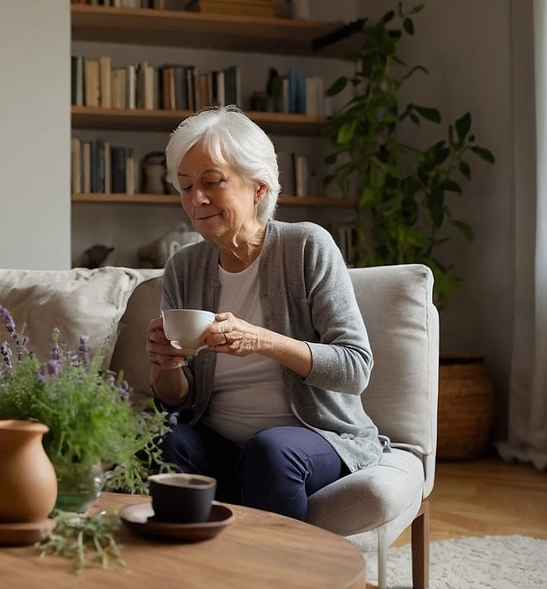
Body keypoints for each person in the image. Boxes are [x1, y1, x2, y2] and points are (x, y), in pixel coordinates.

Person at [145, 105, 384, 521]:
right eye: (185, 186)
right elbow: (176, 399)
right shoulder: (184, 266)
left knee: (272, 450)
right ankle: (180, 575)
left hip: (316, 437)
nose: (195, 199)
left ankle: (280, 583)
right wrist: (165, 365)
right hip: (219, 439)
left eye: (212, 183)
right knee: (165, 442)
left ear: (259, 188)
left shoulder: (307, 246)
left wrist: (261, 339)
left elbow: (355, 368)